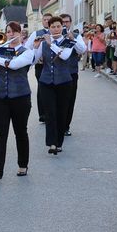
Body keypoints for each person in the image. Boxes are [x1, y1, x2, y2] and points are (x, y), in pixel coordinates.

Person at [0, 21, 34, 178]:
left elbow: (14, 65)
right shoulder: (1, 51)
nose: (10, 34)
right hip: (0, 96)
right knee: (0, 133)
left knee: (20, 132)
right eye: (8, 32)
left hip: (20, 97)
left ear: (20, 34)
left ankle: (22, 165)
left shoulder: (27, 52)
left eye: (14, 32)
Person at [35, 16, 74, 155]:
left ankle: (59, 143)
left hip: (64, 82)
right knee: (50, 112)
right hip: (46, 81)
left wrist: (51, 44)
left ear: (62, 27)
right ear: (49, 28)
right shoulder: (43, 43)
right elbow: (34, 60)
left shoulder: (68, 42)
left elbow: (64, 56)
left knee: (61, 113)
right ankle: (52, 143)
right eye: (53, 27)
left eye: (58, 26)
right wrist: (35, 47)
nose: (56, 29)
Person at [59, 14, 86, 136]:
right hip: (57, 73)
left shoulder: (76, 35)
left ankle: (65, 126)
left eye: (67, 22)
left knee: (69, 101)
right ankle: (56, 125)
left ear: (70, 23)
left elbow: (82, 50)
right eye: (62, 22)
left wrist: (72, 40)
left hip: (71, 73)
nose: (65, 24)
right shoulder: (54, 35)